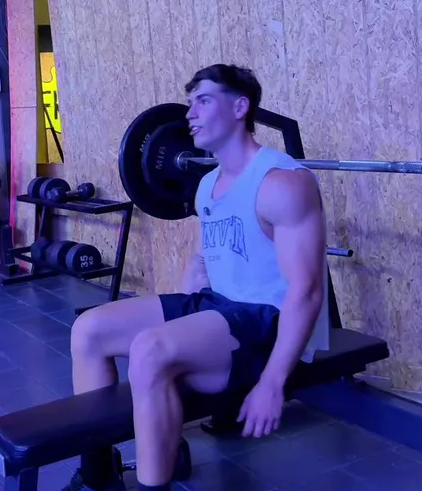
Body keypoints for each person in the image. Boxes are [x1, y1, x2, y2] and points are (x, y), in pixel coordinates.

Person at [65, 64, 331, 491]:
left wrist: (272, 383)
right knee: (89, 329)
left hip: (269, 321)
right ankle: (98, 476)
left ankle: (156, 483)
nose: (189, 113)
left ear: (240, 107)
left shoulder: (281, 183)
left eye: (203, 101)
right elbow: (203, 264)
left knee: (149, 351)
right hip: (219, 308)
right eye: (190, 103)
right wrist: (178, 326)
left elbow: (308, 291)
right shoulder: (208, 185)